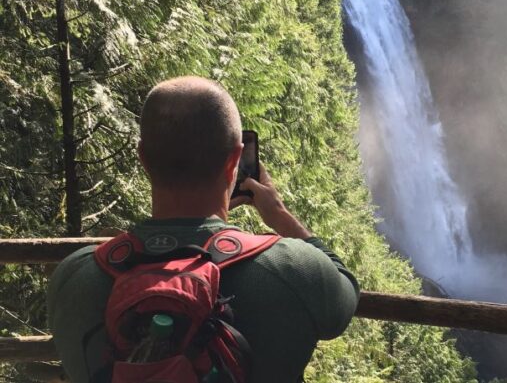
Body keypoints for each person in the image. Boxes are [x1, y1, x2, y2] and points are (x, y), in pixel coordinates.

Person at [47, 76, 360, 382]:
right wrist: (278, 214)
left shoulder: (73, 279)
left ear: (143, 158)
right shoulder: (294, 272)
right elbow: (345, 291)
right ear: (234, 161)